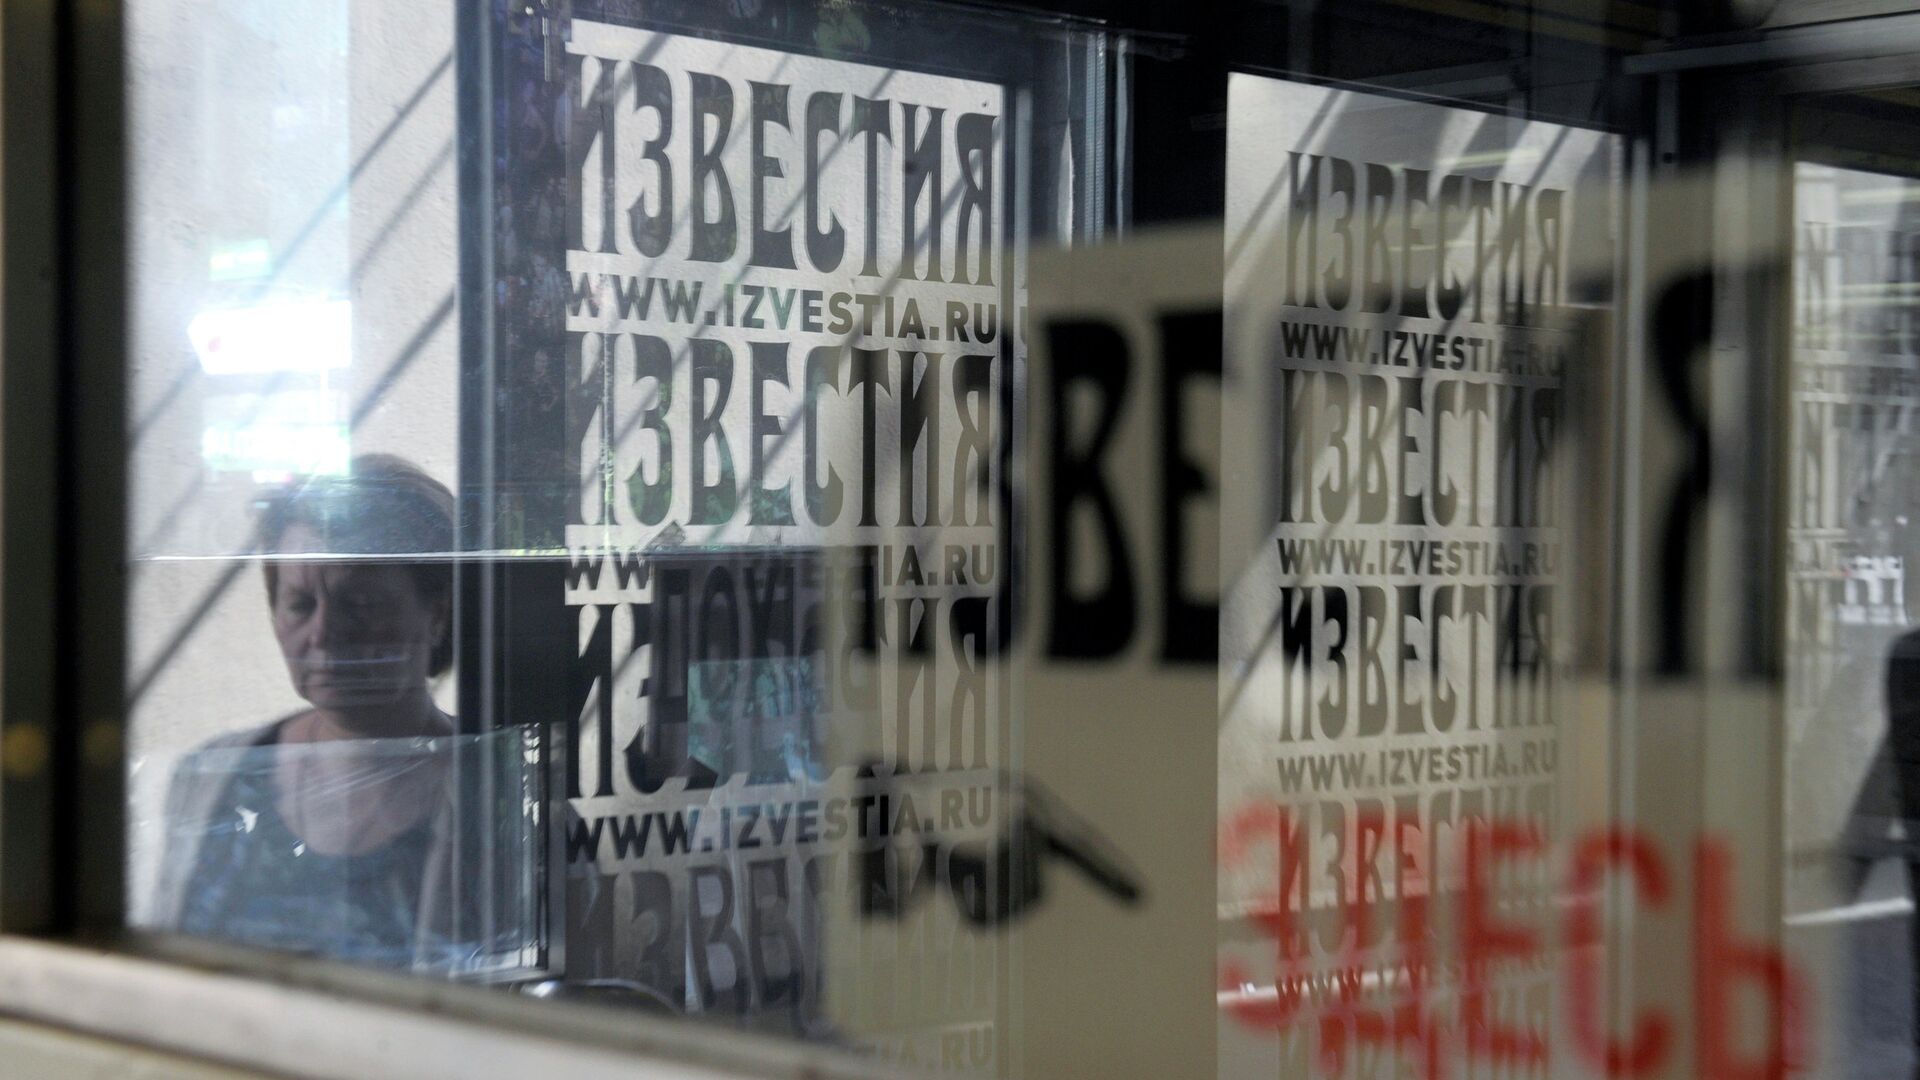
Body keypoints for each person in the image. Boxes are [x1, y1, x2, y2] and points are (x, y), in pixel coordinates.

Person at [148, 455, 526, 971]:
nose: (324, 633)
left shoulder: (505, 791)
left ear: (436, 612)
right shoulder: (215, 777)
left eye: (360, 604)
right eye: (300, 604)